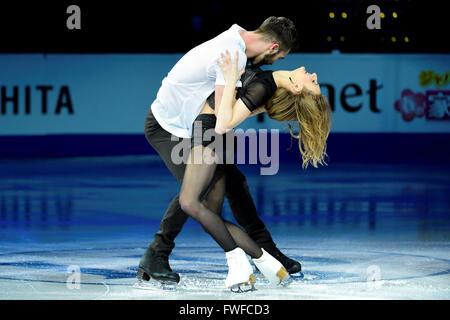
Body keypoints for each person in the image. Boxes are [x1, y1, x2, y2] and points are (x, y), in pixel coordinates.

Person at [138, 17, 300, 288]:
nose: (275, 63)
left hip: (192, 128)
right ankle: (156, 253)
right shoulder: (232, 54)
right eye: (279, 57)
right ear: (273, 47)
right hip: (168, 128)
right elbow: (224, 117)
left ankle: (264, 250)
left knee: (233, 181)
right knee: (198, 192)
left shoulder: (236, 42)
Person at [177, 51, 332, 290]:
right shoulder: (271, 84)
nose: (314, 74)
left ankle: (243, 261)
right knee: (213, 212)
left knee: (193, 204)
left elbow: (224, 120)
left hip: (208, 131)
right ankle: (269, 261)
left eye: (313, 81)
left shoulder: (267, 85)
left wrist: (229, 79)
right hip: (216, 135)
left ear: (298, 88)